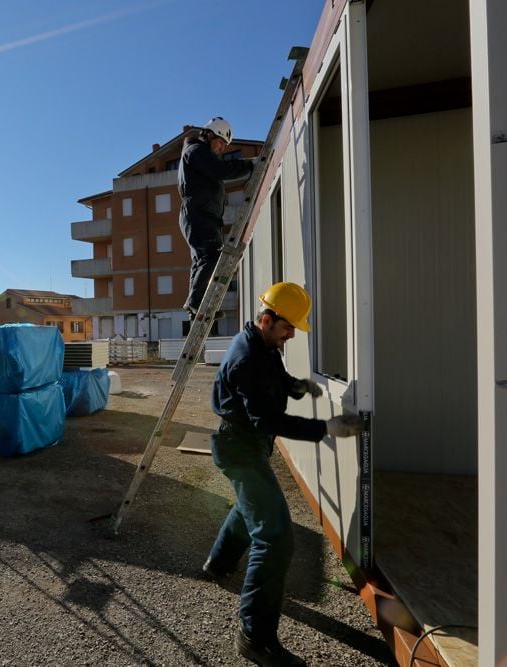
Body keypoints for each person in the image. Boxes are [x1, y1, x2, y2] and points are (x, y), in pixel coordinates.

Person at [204, 281, 363, 667]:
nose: (292, 334)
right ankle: (253, 637)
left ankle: (219, 564)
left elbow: (274, 380)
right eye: (288, 327)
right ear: (267, 319)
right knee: (274, 537)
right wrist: (326, 428)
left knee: (249, 509)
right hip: (241, 449)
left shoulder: (262, 344)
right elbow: (266, 420)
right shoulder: (248, 359)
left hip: (245, 446)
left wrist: (299, 387)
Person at [179, 116, 255, 317]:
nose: (222, 148)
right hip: (199, 213)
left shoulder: (199, 153)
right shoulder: (197, 151)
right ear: (210, 135)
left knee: (201, 261)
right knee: (210, 257)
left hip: (202, 214)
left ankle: (197, 306)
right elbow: (219, 170)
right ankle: (196, 302)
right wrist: (249, 166)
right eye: (221, 143)